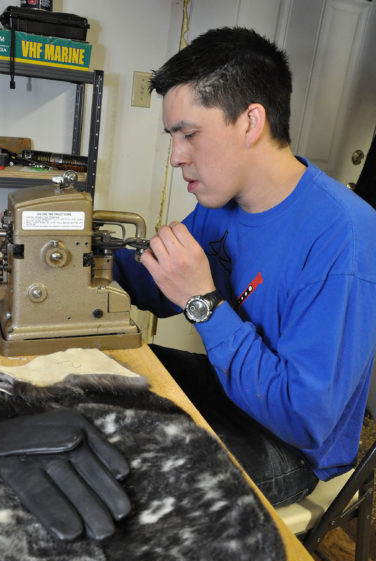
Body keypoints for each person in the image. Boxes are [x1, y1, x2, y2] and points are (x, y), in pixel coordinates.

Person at [113, 26, 376, 507]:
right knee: (104, 377)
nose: (175, 157)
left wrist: (202, 303)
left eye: (188, 134)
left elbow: (303, 417)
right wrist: (73, 257)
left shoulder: (344, 235)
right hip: (228, 387)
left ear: (251, 122)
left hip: (288, 447)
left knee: (125, 479)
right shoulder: (220, 203)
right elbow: (155, 286)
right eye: (173, 138)